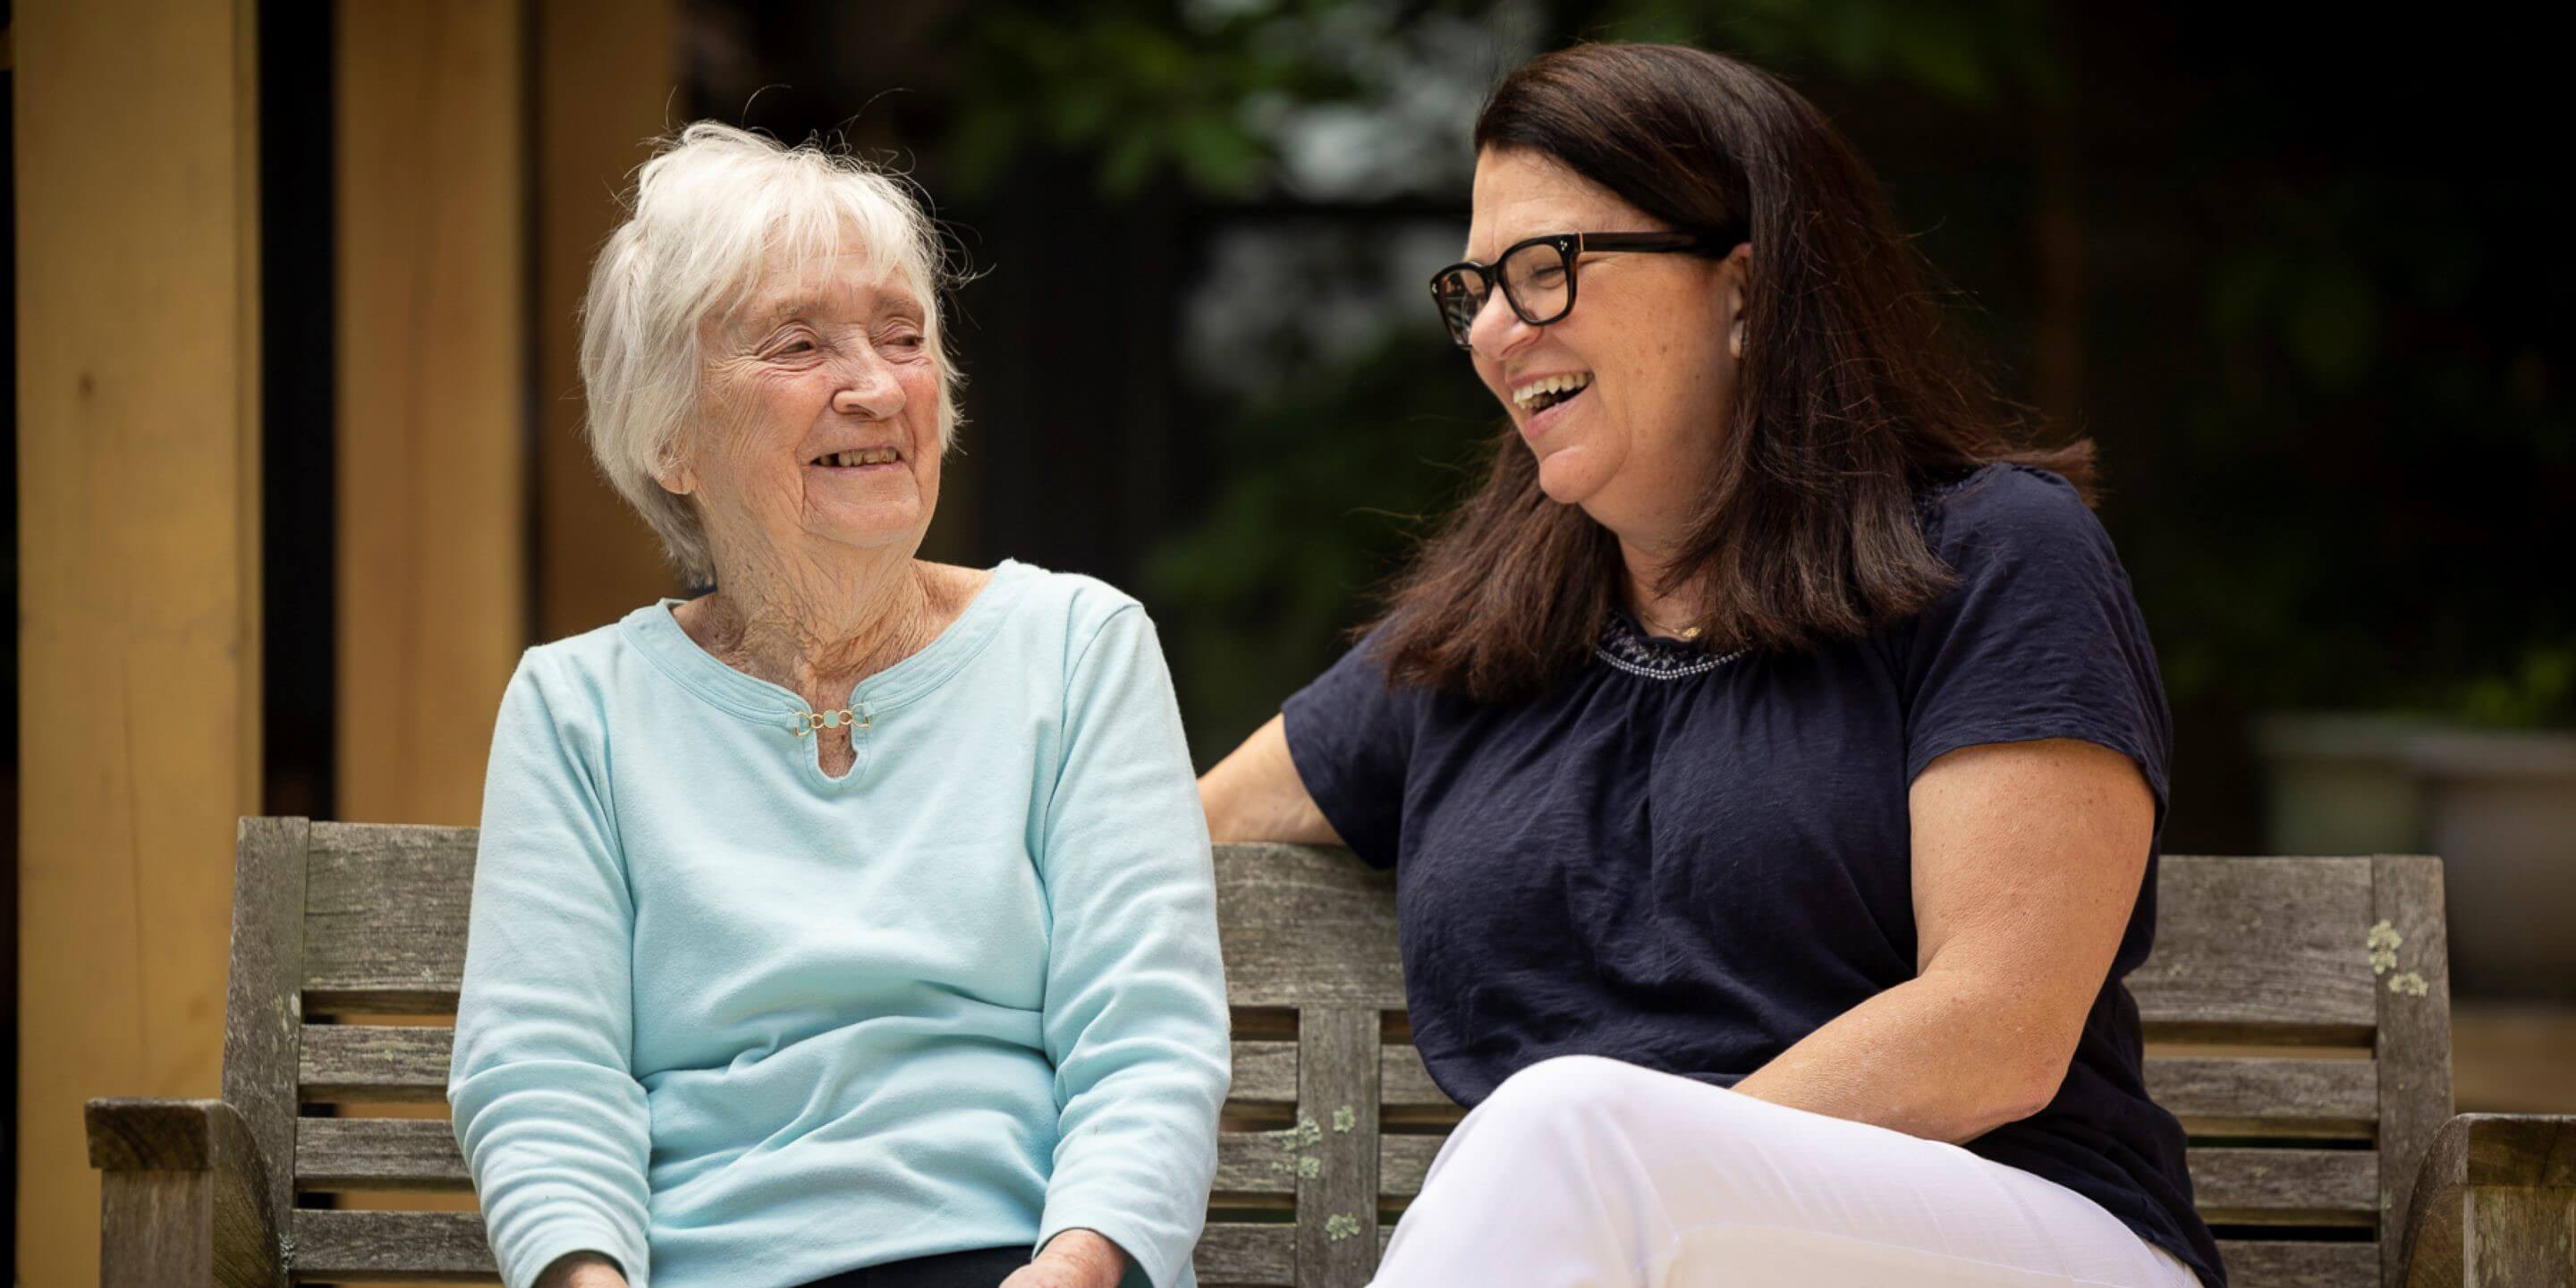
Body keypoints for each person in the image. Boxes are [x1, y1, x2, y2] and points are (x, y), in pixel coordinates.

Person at [1198, 43, 2222, 1288]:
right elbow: (1171, 838)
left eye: (1545, 269)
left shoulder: (1994, 555)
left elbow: (1995, 1034)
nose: (1494, 334)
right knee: (1567, 1135)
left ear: (1744, 287)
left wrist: (1650, 1189)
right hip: (1611, 1244)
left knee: (1561, 1123)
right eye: (1474, 288)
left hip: (2015, 1231)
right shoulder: (1486, 637)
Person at [450, 123, 1230, 1288]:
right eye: (799, 343)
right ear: (671, 435)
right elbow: (544, 1075)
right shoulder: (579, 709)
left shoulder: (1076, 650)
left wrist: (1076, 1270)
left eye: (904, 338)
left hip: (1010, 1262)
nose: (873, 387)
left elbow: (1147, 1041)